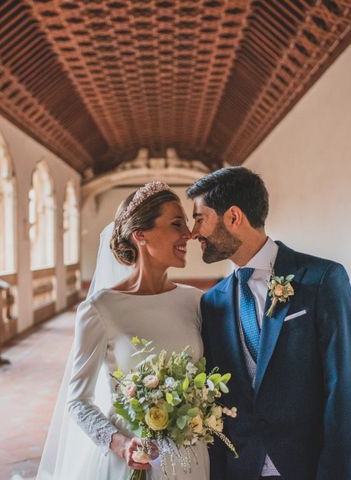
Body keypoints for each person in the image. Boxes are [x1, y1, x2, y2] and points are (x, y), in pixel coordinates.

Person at [187, 167, 351, 480]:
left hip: (308, 467)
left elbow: (348, 390)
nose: (194, 232)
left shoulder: (322, 280)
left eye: (199, 217)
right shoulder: (212, 302)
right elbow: (216, 401)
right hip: (240, 467)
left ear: (233, 217)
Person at [36, 181, 209, 479]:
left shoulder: (194, 301)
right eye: (176, 223)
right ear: (140, 235)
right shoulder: (101, 308)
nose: (189, 234)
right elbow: (78, 401)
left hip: (190, 458)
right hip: (133, 460)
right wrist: (121, 444)